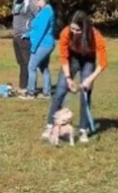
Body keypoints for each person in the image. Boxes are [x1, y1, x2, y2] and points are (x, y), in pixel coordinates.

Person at [41, 10, 108, 143]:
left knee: (85, 93)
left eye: (77, 30)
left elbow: (103, 62)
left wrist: (90, 79)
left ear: (85, 28)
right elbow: (64, 57)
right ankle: (50, 126)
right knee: (60, 91)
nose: (74, 32)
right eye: (72, 28)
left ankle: (83, 129)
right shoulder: (66, 33)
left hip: (88, 60)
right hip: (72, 59)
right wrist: (68, 78)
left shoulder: (95, 35)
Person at [19, 0, 55, 100]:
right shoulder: (43, 11)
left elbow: (40, 31)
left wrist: (34, 47)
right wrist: (28, 35)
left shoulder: (47, 12)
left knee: (31, 66)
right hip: (44, 43)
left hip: (44, 44)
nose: (35, 1)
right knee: (43, 67)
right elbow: (35, 28)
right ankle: (46, 92)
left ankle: (30, 93)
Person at [11, 0, 39, 94]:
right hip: (16, 36)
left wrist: (31, 31)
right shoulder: (15, 1)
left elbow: (39, 17)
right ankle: (22, 85)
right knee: (21, 62)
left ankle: (30, 87)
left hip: (25, 37)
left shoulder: (30, 2)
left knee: (28, 62)